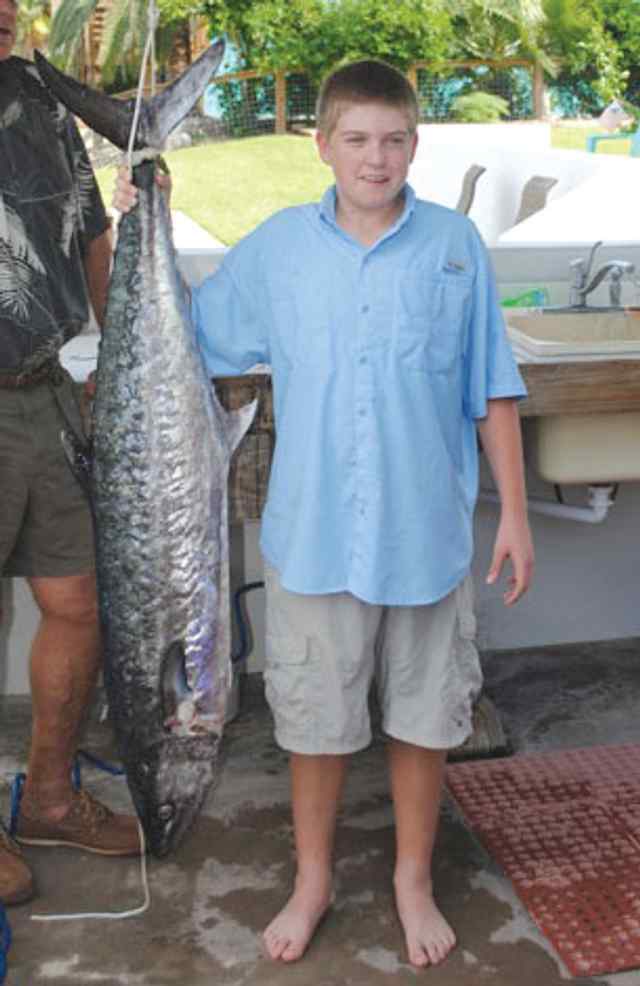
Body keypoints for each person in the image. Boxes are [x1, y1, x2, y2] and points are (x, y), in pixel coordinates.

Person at [114, 59, 534, 967]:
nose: (375, 158)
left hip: (426, 537)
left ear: (414, 144)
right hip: (313, 538)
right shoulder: (277, 249)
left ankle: (411, 881)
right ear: (322, 145)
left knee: (425, 722)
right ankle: (312, 881)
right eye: (356, 140)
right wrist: (143, 216)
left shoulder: (456, 245)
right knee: (314, 727)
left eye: (393, 140)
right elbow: (186, 332)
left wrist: (515, 515)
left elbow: (492, 387)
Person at [0, 0, 140, 907]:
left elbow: (92, 232)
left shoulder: (39, 95)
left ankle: (50, 798)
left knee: (79, 600)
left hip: (47, 388)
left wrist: (120, 356)